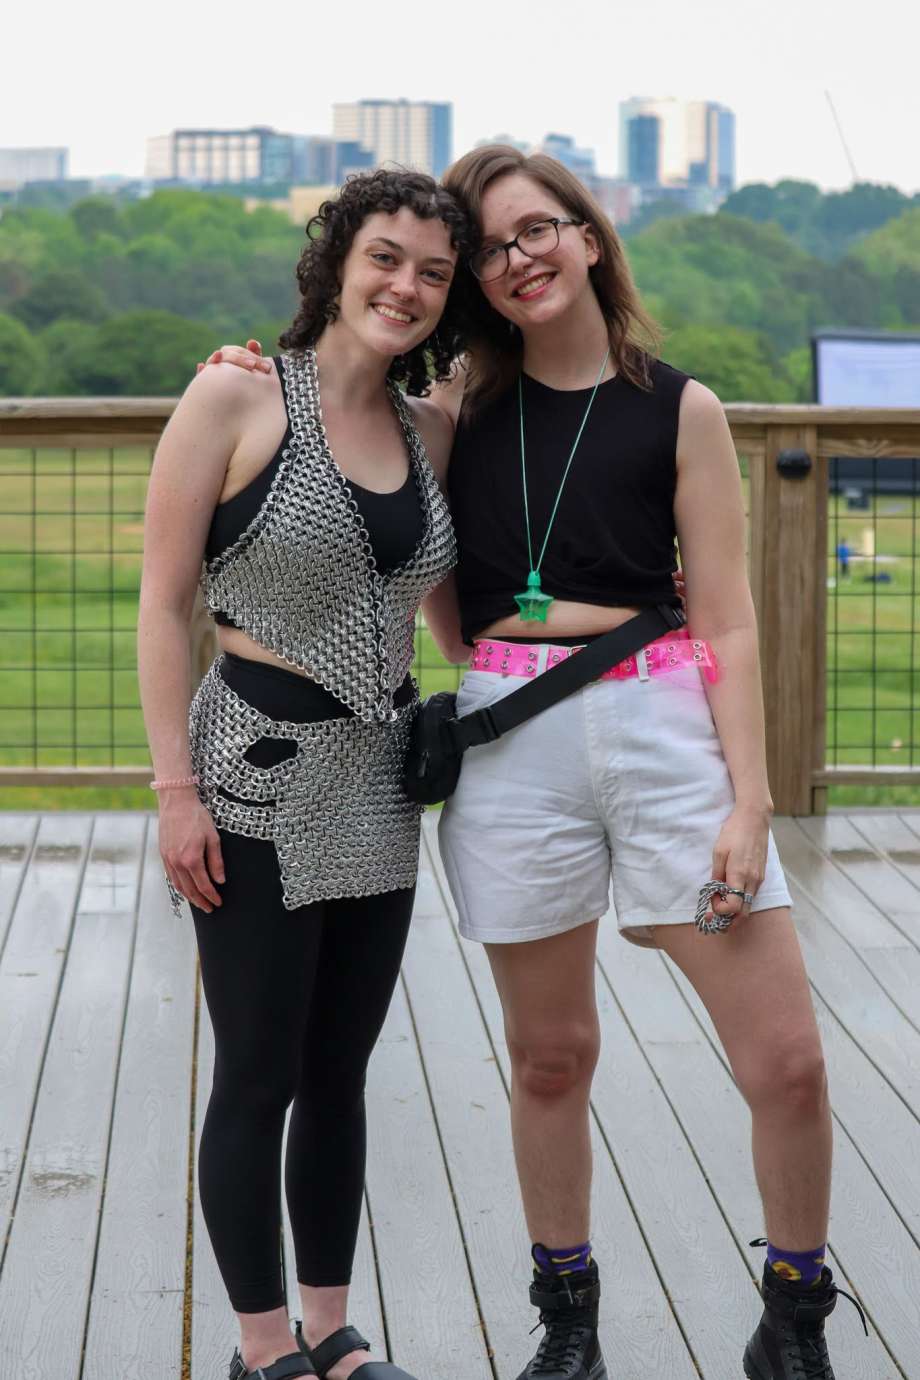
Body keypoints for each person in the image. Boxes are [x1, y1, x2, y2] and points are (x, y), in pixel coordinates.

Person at [205, 148, 861, 1380]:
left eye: (539, 230)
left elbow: (723, 616)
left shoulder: (684, 407)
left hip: (664, 725)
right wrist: (246, 363)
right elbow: (385, 495)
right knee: (550, 1056)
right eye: (494, 247)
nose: (521, 259)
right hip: (512, 740)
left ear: (591, 235)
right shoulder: (454, 410)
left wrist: (751, 798)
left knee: (786, 1059)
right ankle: (569, 1325)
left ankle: (792, 1319)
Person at [138, 169, 472, 1380]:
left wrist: (628, 610)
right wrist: (175, 794)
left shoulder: (430, 427)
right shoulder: (233, 396)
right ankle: (258, 1345)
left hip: (380, 786)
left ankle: (331, 1333)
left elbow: (455, 623)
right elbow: (163, 604)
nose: (406, 286)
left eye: (433, 272)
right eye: (386, 257)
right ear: (335, 261)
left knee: (340, 1074)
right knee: (259, 1072)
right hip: (253, 784)